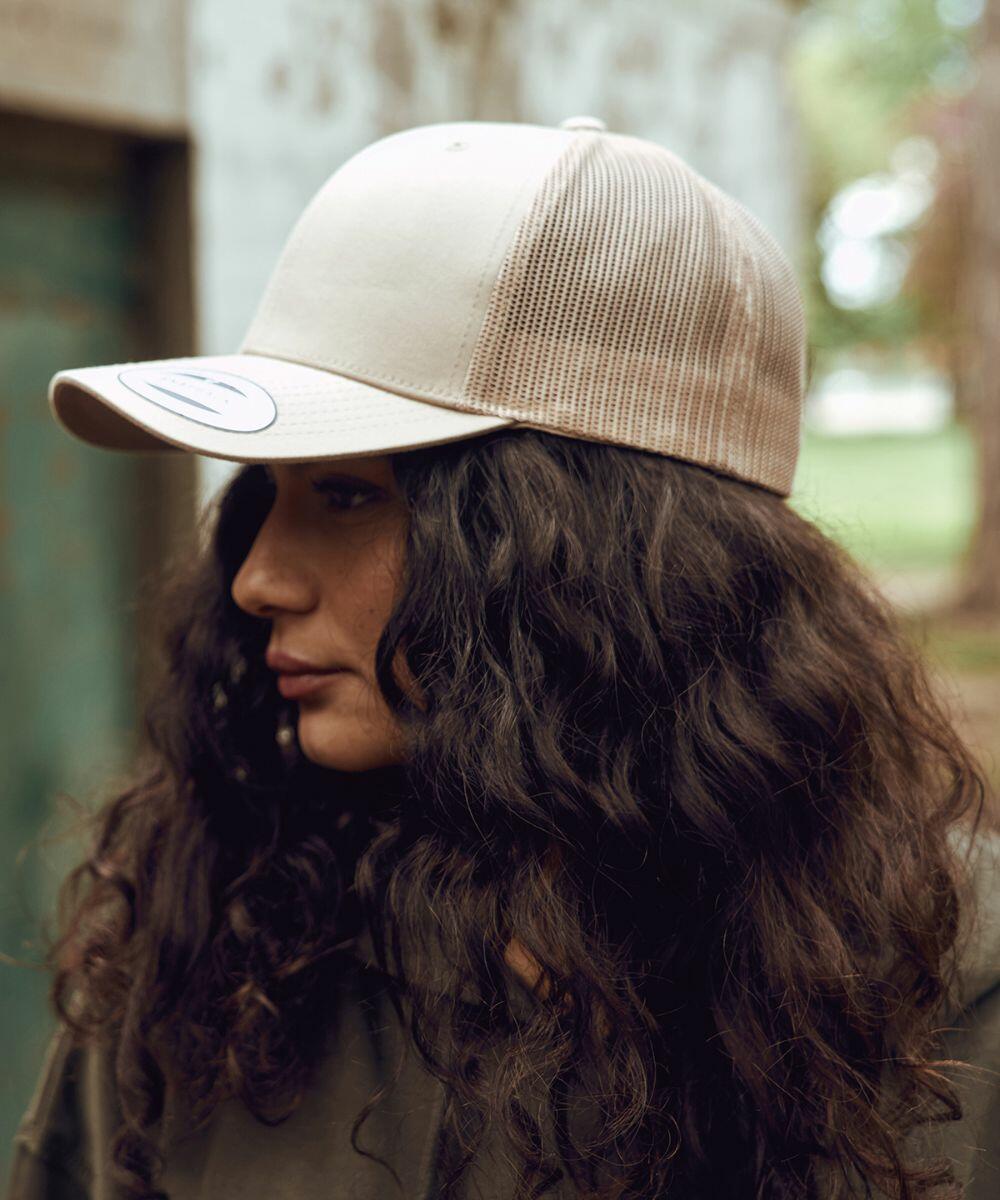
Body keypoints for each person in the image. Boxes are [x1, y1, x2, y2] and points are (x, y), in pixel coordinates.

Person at [6, 116, 1000, 1200]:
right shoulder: (218, 950)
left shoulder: (947, 1001)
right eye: (263, 494)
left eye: (345, 494)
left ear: (594, 558)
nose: (255, 579)